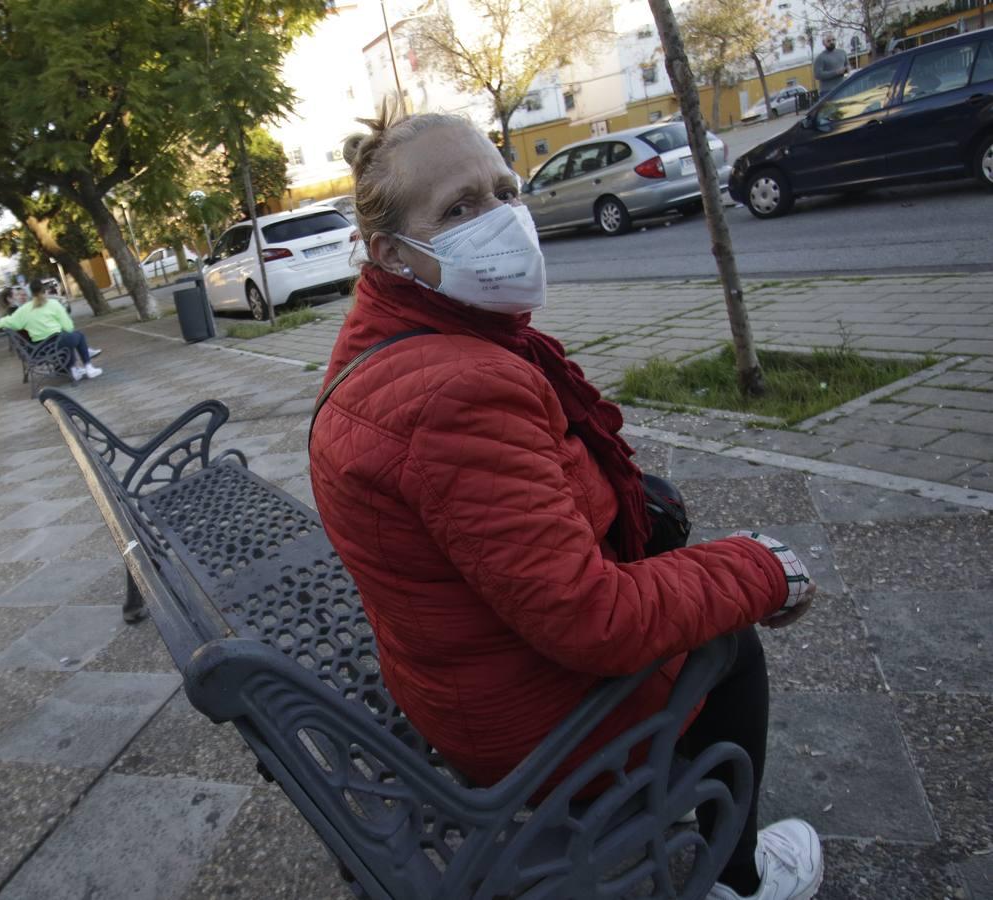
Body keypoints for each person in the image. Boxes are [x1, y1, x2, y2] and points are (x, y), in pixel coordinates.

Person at [308, 106, 823, 900]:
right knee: (731, 643)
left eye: (504, 190)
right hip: (524, 731)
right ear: (389, 252)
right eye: (459, 207)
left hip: (454, 685)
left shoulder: (382, 344)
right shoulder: (458, 390)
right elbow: (592, 622)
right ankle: (740, 878)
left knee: (681, 579)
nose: (503, 219)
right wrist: (761, 569)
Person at [0, 278, 103, 381]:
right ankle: (89, 367)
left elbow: (10, 321)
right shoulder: (52, 304)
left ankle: (73, 369)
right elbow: (68, 327)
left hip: (40, 347)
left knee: (66, 338)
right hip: (55, 344)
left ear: (30, 293)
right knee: (77, 336)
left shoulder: (24, 310)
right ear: (44, 291)